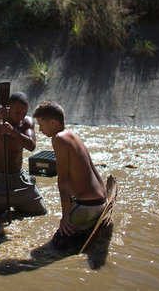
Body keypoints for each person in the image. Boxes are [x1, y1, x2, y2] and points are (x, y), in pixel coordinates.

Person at [32, 101, 106, 250]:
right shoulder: (72, 135)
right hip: (100, 200)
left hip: (88, 206)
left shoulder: (58, 138)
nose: (40, 130)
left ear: (53, 122)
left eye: (41, 125)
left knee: (53, 248)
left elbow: (64, 179)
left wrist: (65, 216)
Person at [0, 92, 47, 218]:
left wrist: (14, 132)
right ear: (8, 108)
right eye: (17, 113)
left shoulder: (27, 122)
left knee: (40, 211)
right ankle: (2, 208)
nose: (21, 116)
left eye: (24, 113)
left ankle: (11, 208)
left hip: (19, 179)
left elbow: (31, 146)